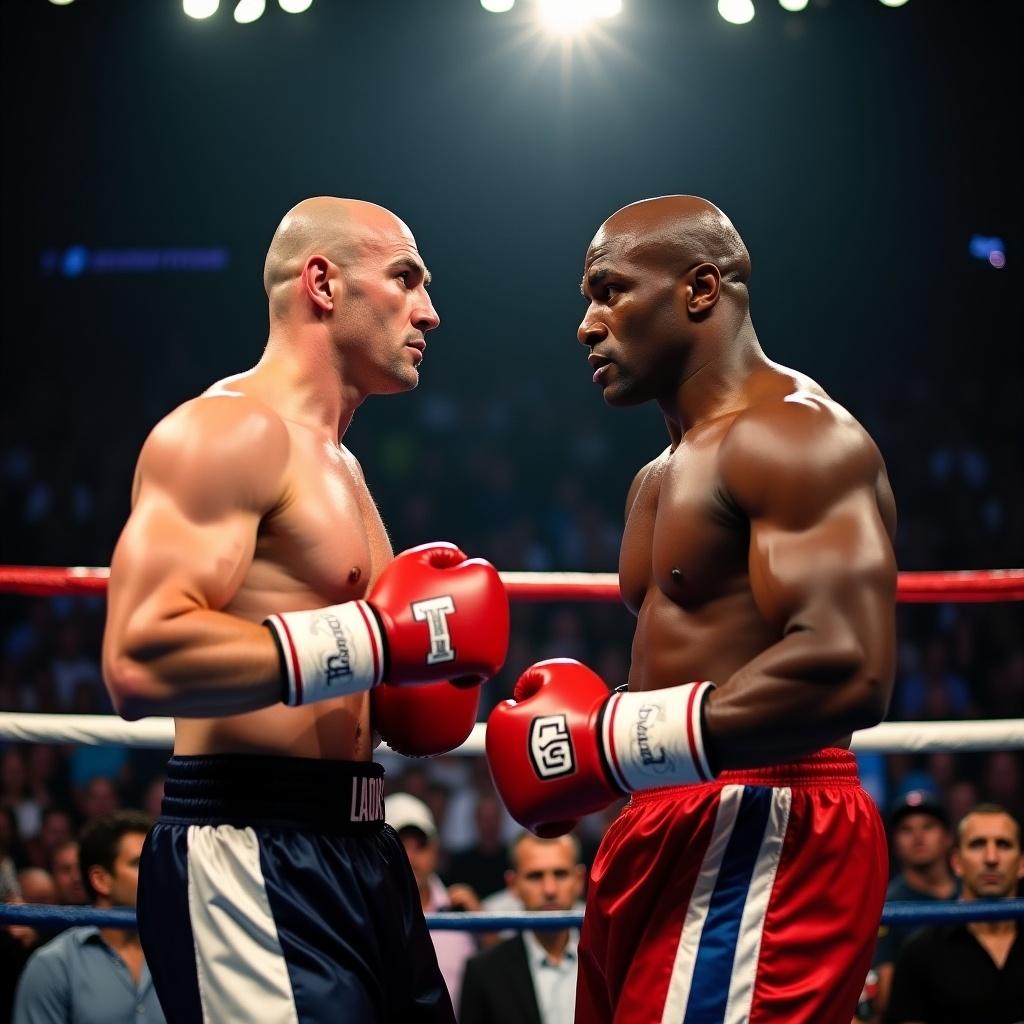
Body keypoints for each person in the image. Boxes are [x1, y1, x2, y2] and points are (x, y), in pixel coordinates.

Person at [486, 195, 898, 1023]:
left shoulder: (793, 435)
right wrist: (624, 748)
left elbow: (848, 667)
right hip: (660, 818)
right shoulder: (658, 475)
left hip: (761, 816)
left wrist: (613, 739)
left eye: (609, 292)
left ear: (701, 289)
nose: (587, 325)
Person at [101, 197, 510, 1023]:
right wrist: (370, 636)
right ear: (321, 283)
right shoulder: (226, 432)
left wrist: (424, 688)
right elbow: (139, 657)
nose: (429, 310)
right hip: (250, 847)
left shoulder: (345, 469)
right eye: (405, 278)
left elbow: (378, 684)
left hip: (362, 844)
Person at [12, 810, 165, 1024]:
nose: (156, 871)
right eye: (139, 863)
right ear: (101, 880)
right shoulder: (55, 964)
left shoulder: (179, 955)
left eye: (157, 861)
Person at [886, 804, 1024, 1024]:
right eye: (978, 844)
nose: (991, 858)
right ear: (957, 863)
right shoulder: (919, 951)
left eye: (1003, 844)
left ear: (1022, 863)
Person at [460, 832, 585, 1024]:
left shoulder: (609, 961)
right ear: (513, 884)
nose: (549, 889)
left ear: (579, 880)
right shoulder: (485, 971)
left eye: (560, 874)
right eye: (535, 876)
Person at [385, 792, 480, 1011]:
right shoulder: (367, 916)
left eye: (421, 845)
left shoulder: (464, 912)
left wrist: (485, 929)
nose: (411, 856)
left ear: (435, 850)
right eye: (400, 845)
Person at [871, 790, 959, 1019]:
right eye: (906, 829)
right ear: (895, 843)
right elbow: (886, 996)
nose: (918, 836)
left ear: (947, 837)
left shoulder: (970, 894)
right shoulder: (886, 905)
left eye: (928, 826)